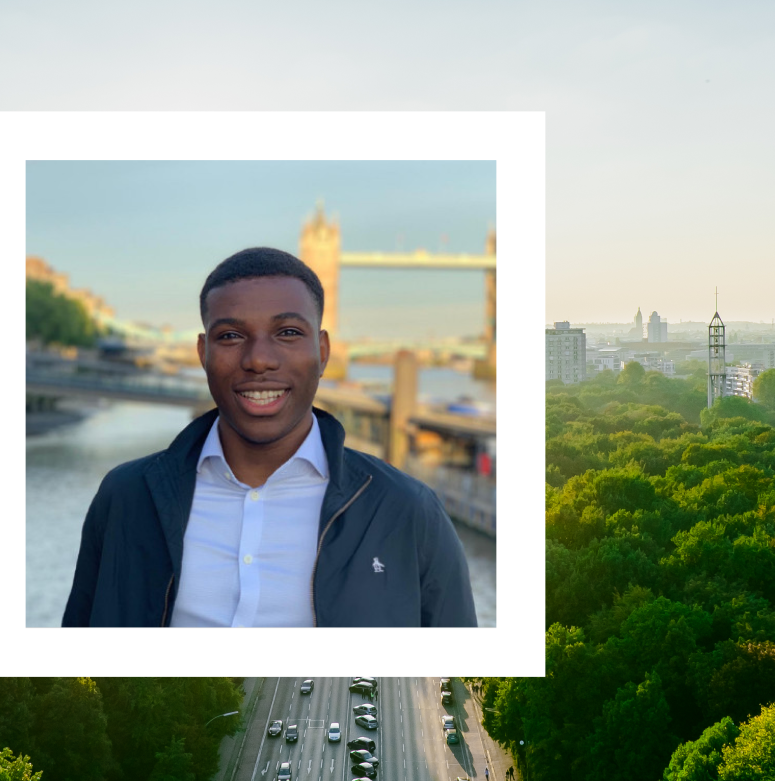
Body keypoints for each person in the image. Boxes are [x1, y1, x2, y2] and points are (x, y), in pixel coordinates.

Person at [62, 247, 477, 627]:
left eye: (288, 333)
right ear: (202, 353)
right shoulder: (124, 499)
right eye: (231, 336)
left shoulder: (408, 512)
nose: (258, 358)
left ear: (323, 351)